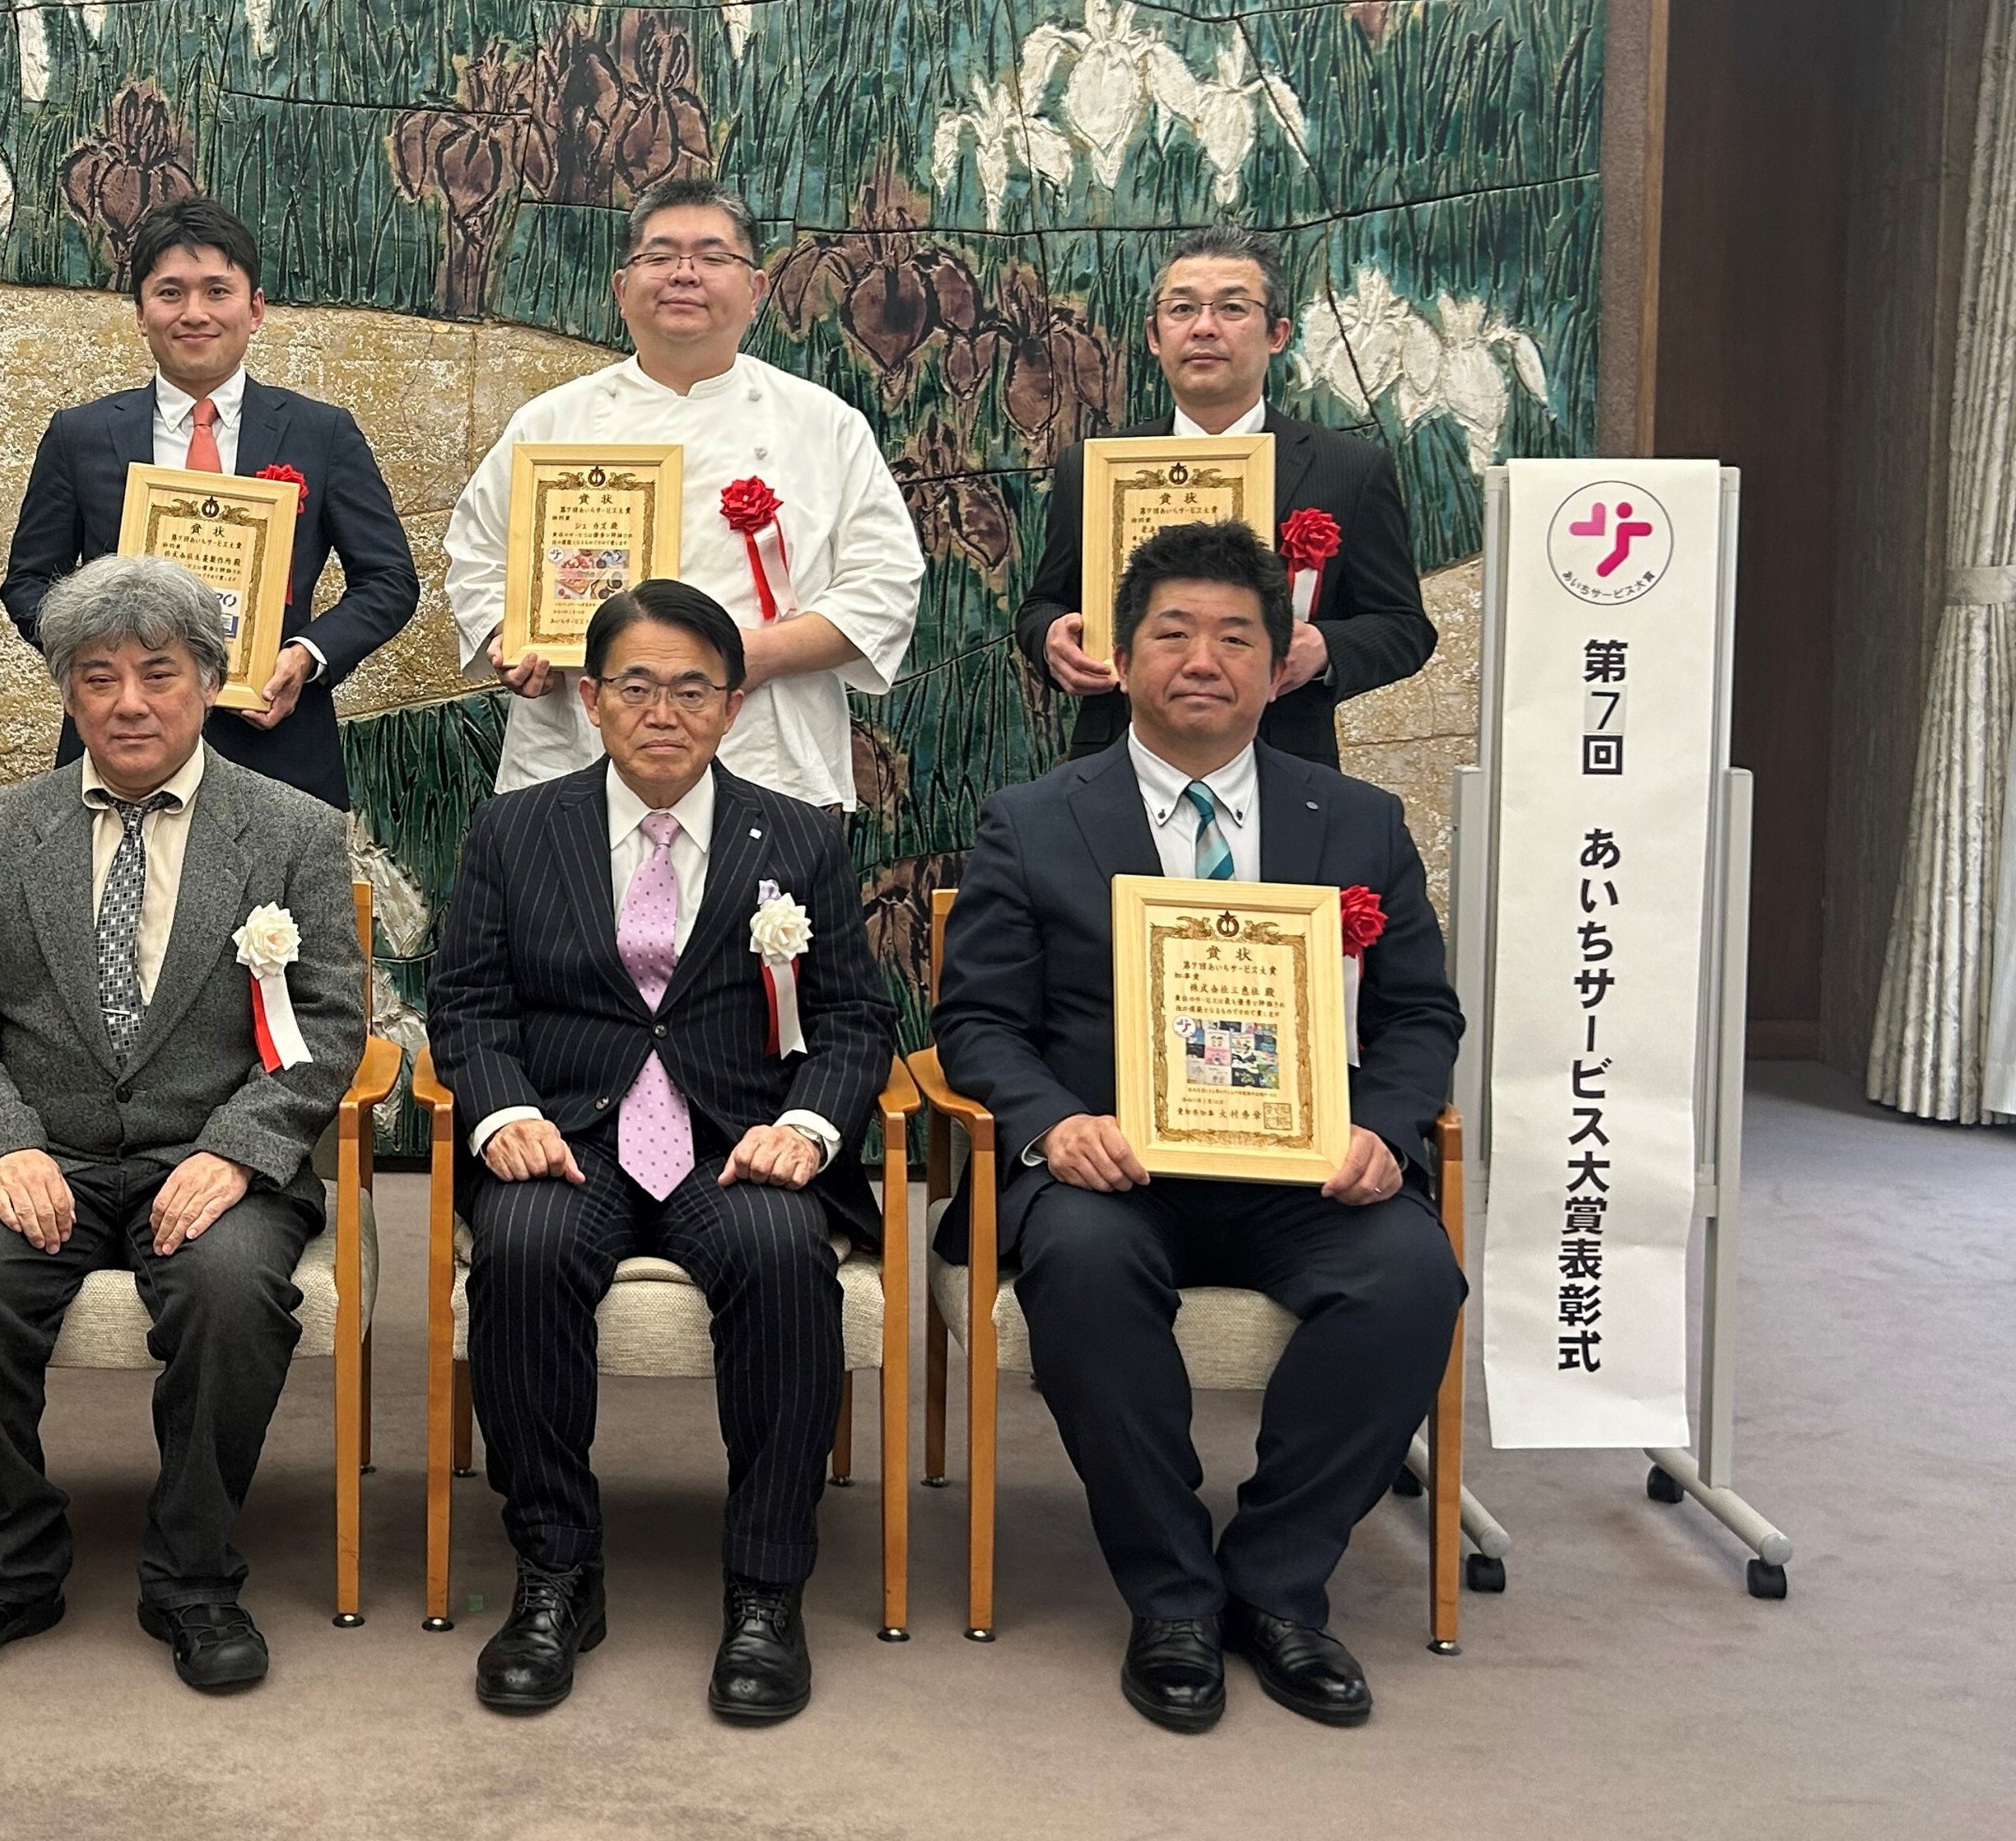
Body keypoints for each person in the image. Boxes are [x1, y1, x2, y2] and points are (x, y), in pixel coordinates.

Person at [936, 518, 1466, 1734]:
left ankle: (1277, 1585)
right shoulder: (1034, 819)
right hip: (1113, 1169)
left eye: (1236, 638)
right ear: (1121, 661)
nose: (1203, 660)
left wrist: (1386, 1129)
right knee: (1082, 1266)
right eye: (1172, 633)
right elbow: (978, 1023)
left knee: (1412, 1276)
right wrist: (1053, 1125)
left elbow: (1420, 1015)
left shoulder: (1360, 822)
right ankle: (1172, 1593)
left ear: (1280, 668)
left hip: (1306, 1174)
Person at [0, 556, 365, 1694]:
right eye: (98, 678)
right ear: (67, 692)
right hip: (35, 1149)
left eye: (159, 673)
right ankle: (5, 1567)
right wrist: (0, 1140)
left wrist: (239, 1150)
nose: (129, 703)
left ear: (209, 680)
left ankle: (193, 1576)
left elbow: (330, 1023)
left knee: (231, 1292)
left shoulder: (292, 831)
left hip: (210, 1153)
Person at [428, 578, 897, 1724]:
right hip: (570, 1134)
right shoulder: (515, 829)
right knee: (524, 1249)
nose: (663, 712)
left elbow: (853, 1018)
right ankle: (555, 1572)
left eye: (693, 689)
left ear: (734, 706)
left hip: (736, 1141)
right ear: (591, 699)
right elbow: (469, 1003)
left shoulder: (799, 834)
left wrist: (806, 1128)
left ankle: (766, 1588)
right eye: (636, 686)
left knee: (784, 1254)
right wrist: (503, 1115)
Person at [442, 177, 922, 810]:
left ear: (755, 290)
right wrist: (516, 640)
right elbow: (476, 559)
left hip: (767, 755)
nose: (684, 274)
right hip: (577, 757)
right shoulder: (551, 423)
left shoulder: (823, 425)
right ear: (622, 289)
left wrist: (756, 655)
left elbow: (884, 584)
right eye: (660, 255)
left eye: (713, 256)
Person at [1, 197, 419, 808]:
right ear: (140, 313)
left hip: (277, 747)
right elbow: (27, 582)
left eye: (217, 291)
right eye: (170, 293)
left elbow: (389, 579)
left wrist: (306, 657)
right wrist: (102, 665)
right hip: (122, 745)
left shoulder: (321, 434)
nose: (193, 313)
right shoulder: (80, 435)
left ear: (255, 309)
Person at [1018, 225, 1433, 768]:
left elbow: (1404, 627)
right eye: (1182, 309)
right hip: (1117, 758)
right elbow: (1043, 604)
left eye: (1233, 308)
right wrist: (1051, 639)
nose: (1204, 327)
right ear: (1154, 335)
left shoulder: (1349, 470)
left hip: (1284, 759)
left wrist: (1323, 649)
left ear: (1277, 333)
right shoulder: (1094, 465)